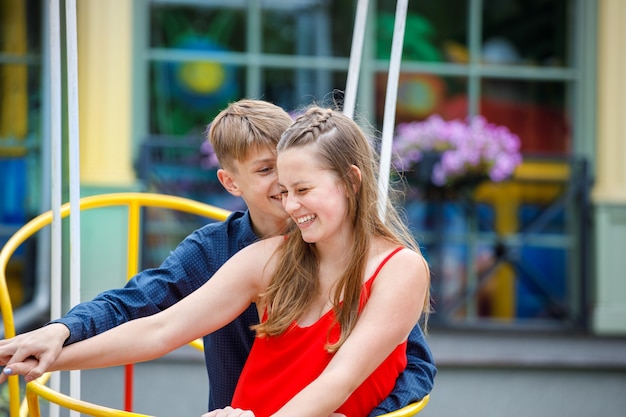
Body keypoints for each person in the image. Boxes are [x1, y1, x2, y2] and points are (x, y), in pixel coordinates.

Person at [0, 101, 436, 415]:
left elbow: (368, 374)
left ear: (350, 181)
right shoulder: (263, 256)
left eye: (302, 188)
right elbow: (157, 324)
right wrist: (56, 345)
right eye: (279, 183)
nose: (289, 200)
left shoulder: (397, 270)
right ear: (231, 182)